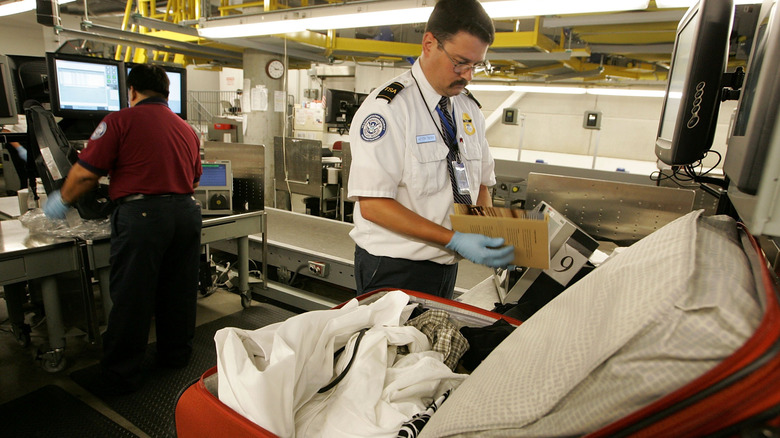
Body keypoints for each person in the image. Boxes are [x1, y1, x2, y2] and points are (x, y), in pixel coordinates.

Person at [43, 64, 202, 394]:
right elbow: (195, 177)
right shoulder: (185, 128)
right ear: (167, 93)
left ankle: (121, 375)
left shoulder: (118, 121)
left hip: (143, 217)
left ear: (132, 91)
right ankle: (175, 357)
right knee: (178, 291)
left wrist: (63, 200)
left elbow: (87, 174)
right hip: (186, 214)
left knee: (133, 297)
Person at [348, 0, 514, 299]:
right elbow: (373, 205)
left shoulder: (468, 109)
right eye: (461, 62)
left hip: (445, 266)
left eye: (476, 65)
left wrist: (482, 230)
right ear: (429, 44)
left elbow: (481, 183)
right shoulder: (389, 110)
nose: (468, 75)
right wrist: (455, 239)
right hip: (393, 268)